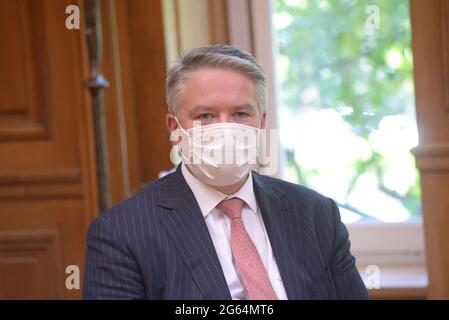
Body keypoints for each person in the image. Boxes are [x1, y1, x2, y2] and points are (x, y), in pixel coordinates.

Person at [83, 44, 369, 300]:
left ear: (261, 123)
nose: (225, 129)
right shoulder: (121, 233)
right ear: (174, 128)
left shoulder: (316, 214)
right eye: (205, 116)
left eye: (241, 114)